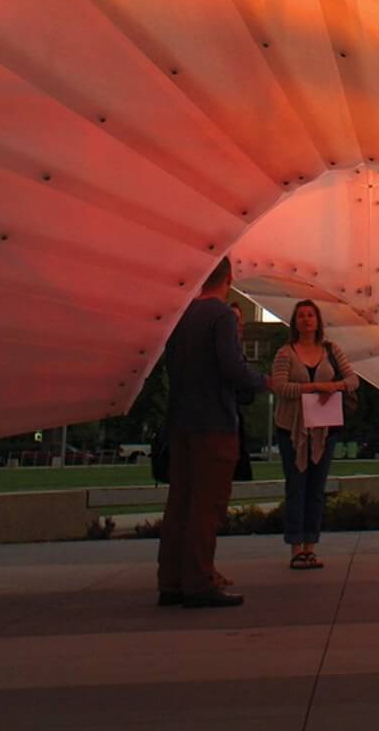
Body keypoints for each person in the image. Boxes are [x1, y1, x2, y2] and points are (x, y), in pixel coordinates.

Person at [158, 257, 263, 608]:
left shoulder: (181, 314)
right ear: (229, 278)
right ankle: (199, 582)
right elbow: (232, 367)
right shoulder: (220, 316)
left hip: (181, 421)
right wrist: (263, 382)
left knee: (180, 504)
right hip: (215, 423)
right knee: (207, 506)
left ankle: (171, 581)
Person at [269, 299, 359, 569]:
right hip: (292, 428)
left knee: (316, 489)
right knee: (296, 486)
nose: (306, 320)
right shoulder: (285, 354)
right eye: (301, 316)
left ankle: (311, 545)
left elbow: (353, 380)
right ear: (295, 322)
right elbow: (280, 387)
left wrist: (335, 386)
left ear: (318, 321)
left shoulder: (331, 350)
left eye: (311, 315)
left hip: (323, 428)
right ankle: (295, 547)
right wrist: (313, 388)